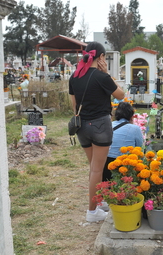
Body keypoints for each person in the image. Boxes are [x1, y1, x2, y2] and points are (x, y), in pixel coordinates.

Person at [69, 41, 125, 222]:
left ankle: (98, 202)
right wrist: (107, 73)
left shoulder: (75, 76)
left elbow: (73, 105)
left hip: (81, 126)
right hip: (100, 125)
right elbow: (121, 95)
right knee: (97, 169)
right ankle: (92, 212)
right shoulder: (102, 77)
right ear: (101, 57)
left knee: (94, 168)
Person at [102, 102, 143, 182]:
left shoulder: (109, 125)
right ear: (131, 116)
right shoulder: (135, 128)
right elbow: (139, 148)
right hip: (124, 163)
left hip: (106, 161)